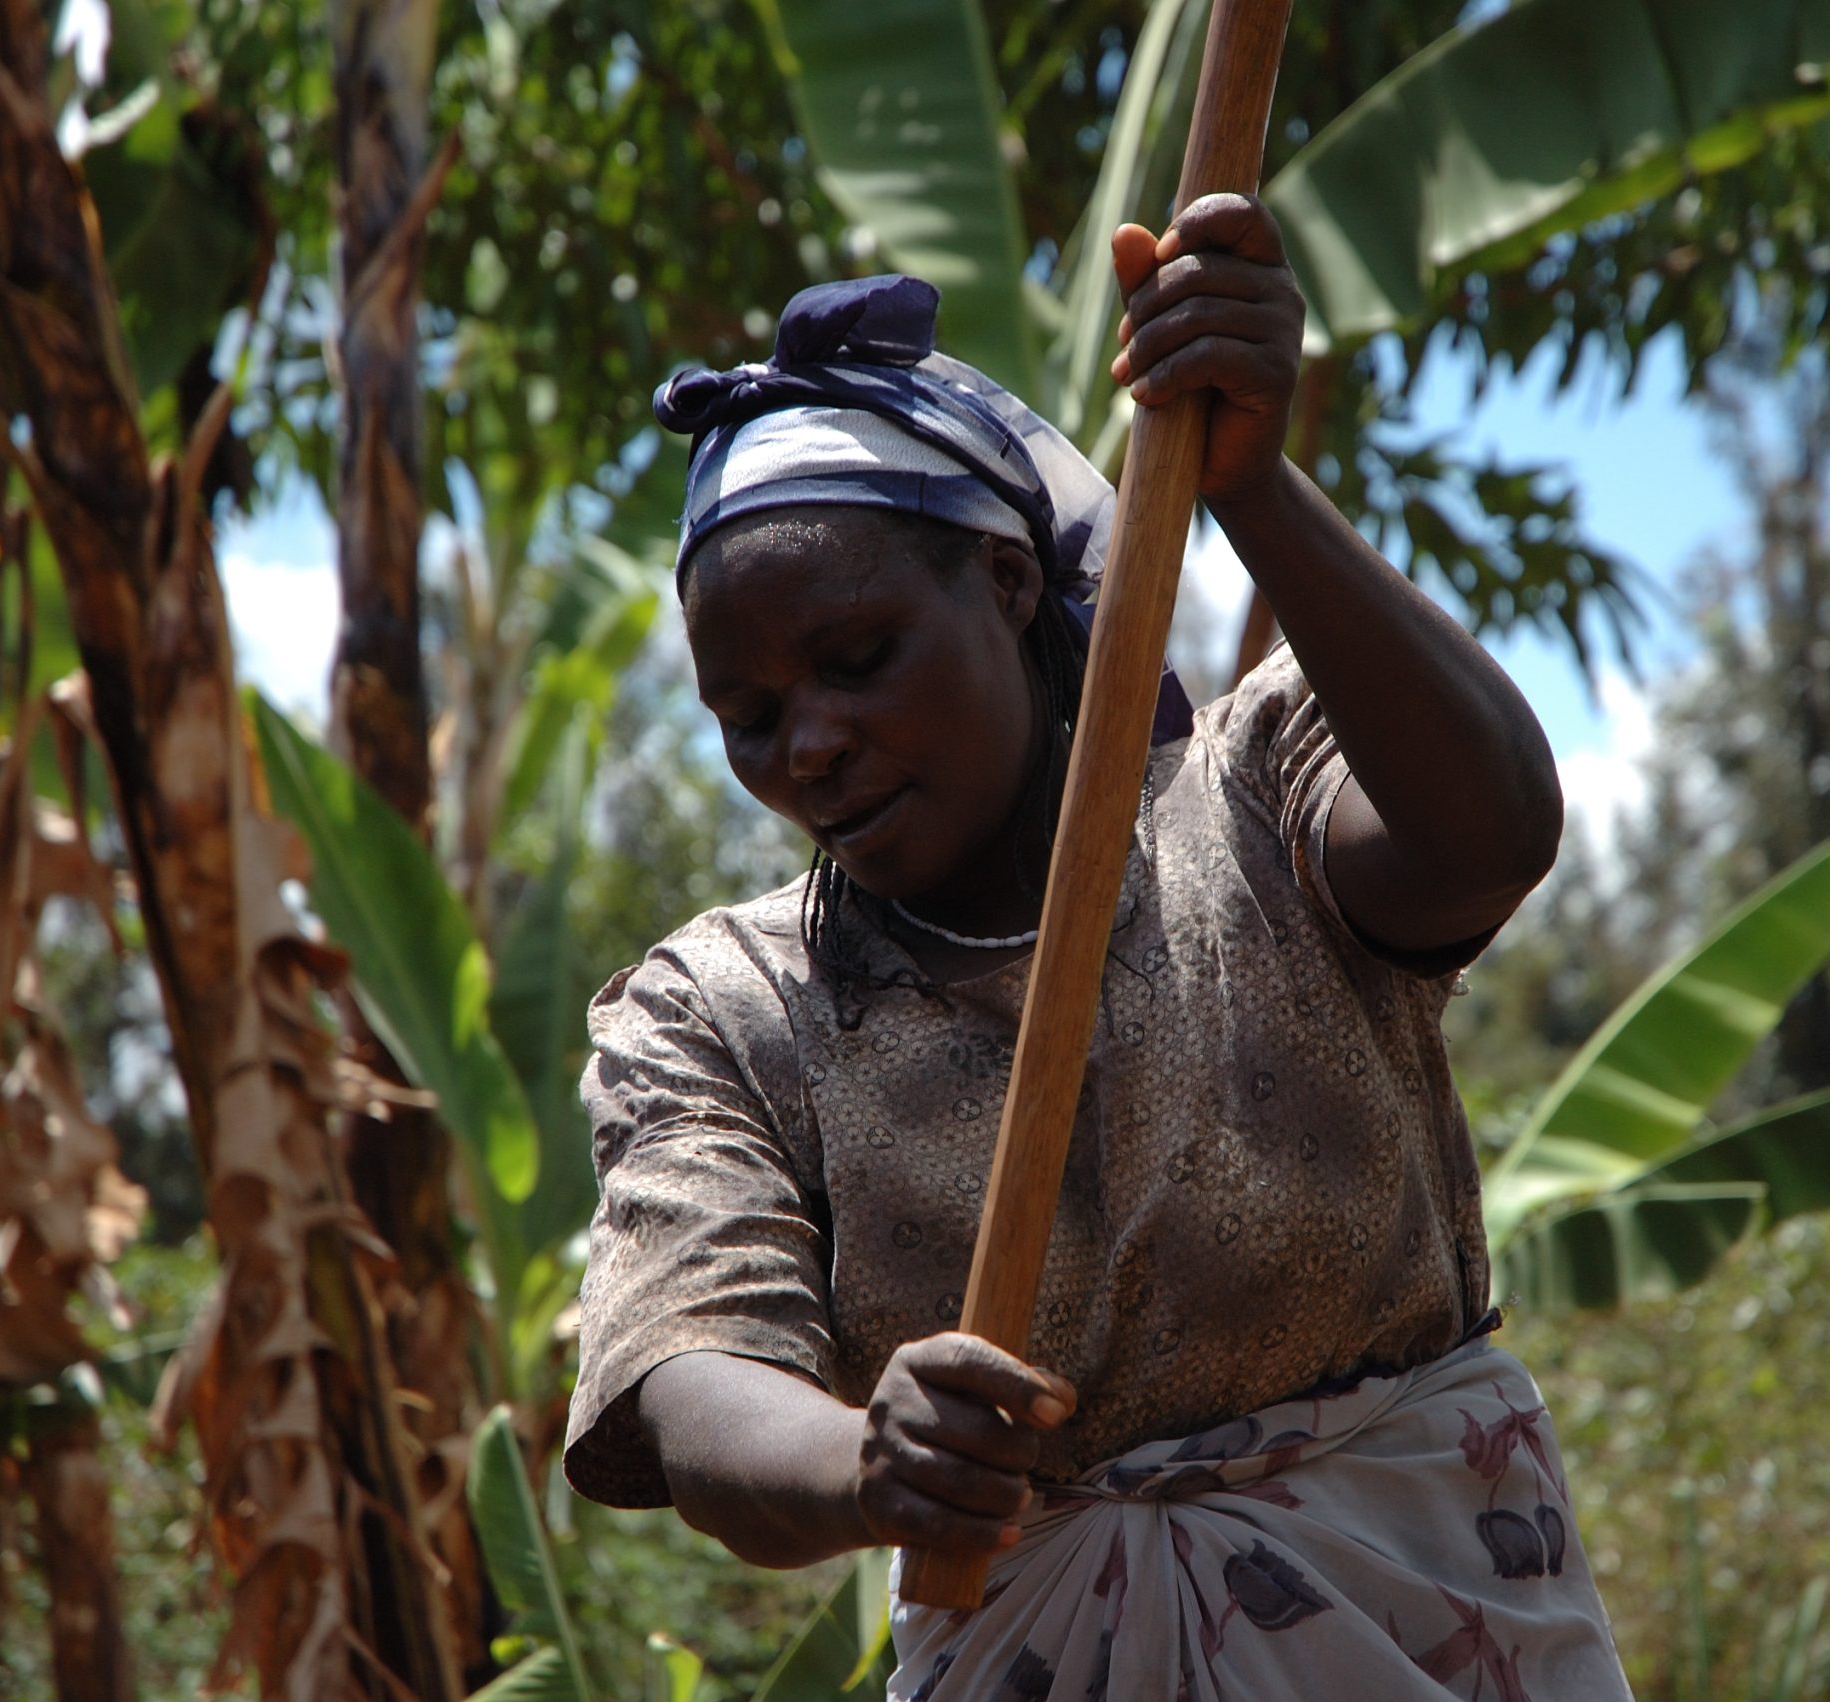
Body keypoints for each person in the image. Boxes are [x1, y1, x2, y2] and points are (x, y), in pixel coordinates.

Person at [562, 195, 1633, 1701]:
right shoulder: (726, 1011)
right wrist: (866, 1457)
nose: (807, 742)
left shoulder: (1260, 787)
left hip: (1432, 1630)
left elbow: (1491, 834)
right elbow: (683, 1375)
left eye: (858, 660)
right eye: (748, 715)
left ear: (1004, 585)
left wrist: (1253, 484)